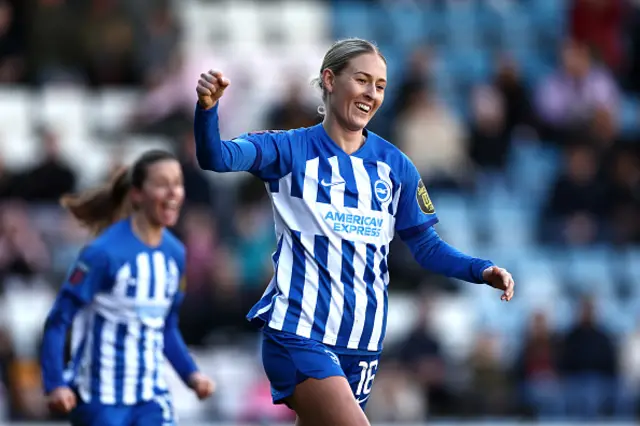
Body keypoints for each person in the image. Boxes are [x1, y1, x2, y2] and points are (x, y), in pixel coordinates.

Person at [193, 38, 515, 426]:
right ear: (330, 80)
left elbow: (426, 247)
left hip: (361, 345)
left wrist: (480, 270)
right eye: (362, 80)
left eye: (380, 85)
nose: (371, 94)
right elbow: (216, 157)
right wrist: (207, 111)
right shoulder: (288, 149)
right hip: (299, 332)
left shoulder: (395, 166)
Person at [40, 150, 215, 426]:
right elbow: (58, 320)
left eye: (178, 183)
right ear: (137, 194)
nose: (173, 193)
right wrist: (55, 384)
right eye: (162, 184)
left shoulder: (175, 254)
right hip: (99, 400)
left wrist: (191, 374)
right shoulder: (102, 254)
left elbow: (165, 325)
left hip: (150, 399)